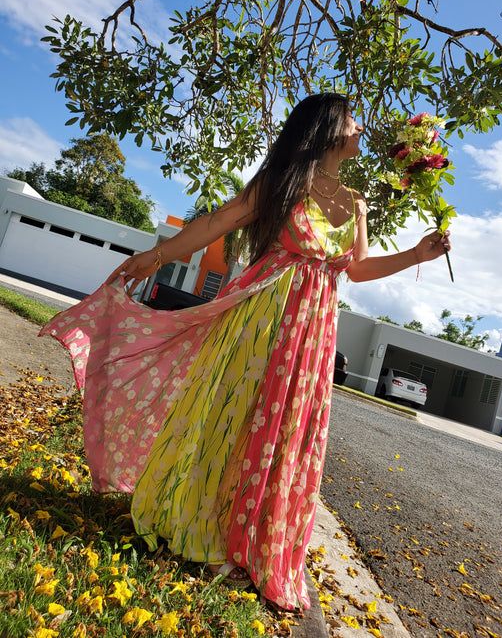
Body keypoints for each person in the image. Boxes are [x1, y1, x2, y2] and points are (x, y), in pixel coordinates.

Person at [40, 93, 450, 610]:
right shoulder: (282, 181)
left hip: (313, 332)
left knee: (284, 433)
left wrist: (418, 253)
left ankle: (257, 539)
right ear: (327, 128)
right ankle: (207, 530)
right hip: (260, 320)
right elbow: (218, 222)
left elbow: (358, 269)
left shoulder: (356, 203)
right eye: (353, 119)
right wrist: (158, 256)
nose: (362, 128)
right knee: (236, 418)